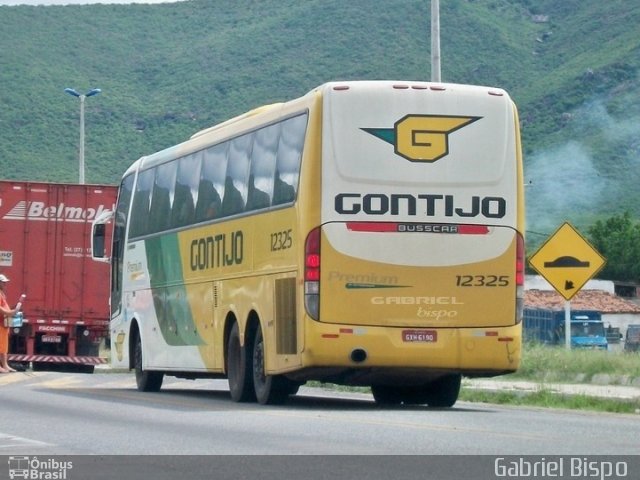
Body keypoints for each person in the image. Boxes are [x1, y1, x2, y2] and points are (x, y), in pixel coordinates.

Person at [0, 274, 18, 373]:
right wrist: (10, 312)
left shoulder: (2, 293)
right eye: (3, 283)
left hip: (3, 324)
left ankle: (5, 365)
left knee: (3, 346)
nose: (5, 284)